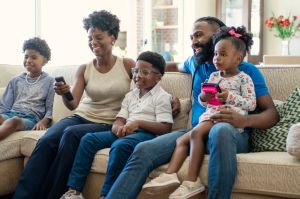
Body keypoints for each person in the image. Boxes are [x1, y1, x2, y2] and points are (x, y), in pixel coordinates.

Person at [105, 17, 279, 199]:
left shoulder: (246, 71)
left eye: (199, 35)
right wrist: (164, 94)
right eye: (191, 37)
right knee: (144, 149)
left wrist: (244, 120)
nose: (194, 41)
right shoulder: (196, 64)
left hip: (232, 134)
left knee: (220, 131)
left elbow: (272, 115)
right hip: (196, 131)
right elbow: (167, 67)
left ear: (218, 36)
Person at [12, 10, 135, 199]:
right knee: (45, 141)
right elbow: (73, 104)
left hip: (108, 122)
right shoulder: (84, 68)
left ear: (112, 37)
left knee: (70, 135)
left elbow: (147, 82)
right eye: (90, 37)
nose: (93, 42)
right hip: (80, 116)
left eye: (98, 37)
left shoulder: (127, 65)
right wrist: (64, 93)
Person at [142, 25, 257, 199]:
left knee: (195, 134)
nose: (217, 58)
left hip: (228, 121)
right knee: (185, 138)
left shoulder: (244, 78)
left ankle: (190, 180)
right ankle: (174, 177)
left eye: (223, 54)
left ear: (238, 58)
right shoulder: (214, 77)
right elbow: (207, 103)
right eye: (216, 54)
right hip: (211, 117)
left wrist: (230, 97)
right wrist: (204, 97)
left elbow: (251, 104)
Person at [60, 51, 173, 199]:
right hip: (125, 131)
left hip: (145, 135)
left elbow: (165, 127)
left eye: (145, 72)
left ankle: (106, 194)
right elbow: (120, 118)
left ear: (158, 77)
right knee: (88, 139)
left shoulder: (162, 97)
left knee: (120, 146)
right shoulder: (130, 95)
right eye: (136, 71)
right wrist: (117, 127)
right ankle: (74, 191)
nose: (138, 75)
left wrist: (138, 123)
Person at [0, 37, 54, 141]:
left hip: (30, 119)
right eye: (26, 57)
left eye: (34, 57)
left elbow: (50, 108)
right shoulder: (15, 80)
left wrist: (43, 122)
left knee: (14, 121)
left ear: (45, 61)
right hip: (10, 114)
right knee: (9, 118)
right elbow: (4, 106)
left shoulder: (50, 82)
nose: (28, 61)